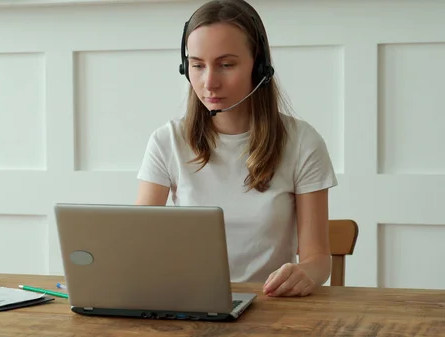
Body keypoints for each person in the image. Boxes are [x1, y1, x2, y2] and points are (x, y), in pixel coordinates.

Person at [135, 0, 338, 298]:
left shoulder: (303, 142)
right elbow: (135, 245)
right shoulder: (166, 141)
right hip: (190, 303)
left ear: (259, 67)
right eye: (197, 65)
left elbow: (319, 260)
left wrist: (305, 272)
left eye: (226, 65)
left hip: (270, 308)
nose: (209, 83)